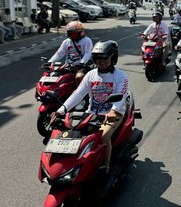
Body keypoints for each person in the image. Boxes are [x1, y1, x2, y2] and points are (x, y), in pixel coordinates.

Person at [50, 40, 128, 173]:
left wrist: (114, 111)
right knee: (74, 134)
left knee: (103, 136)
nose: (100, 61)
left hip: (112, 114)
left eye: (104, 58)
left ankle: (105, 167)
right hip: (92, 113)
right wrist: (61, 110)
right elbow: (78, 94)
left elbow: (121, 95)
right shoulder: (90, 75)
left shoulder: (121, 76)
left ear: (112, 58)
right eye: (97, 58)